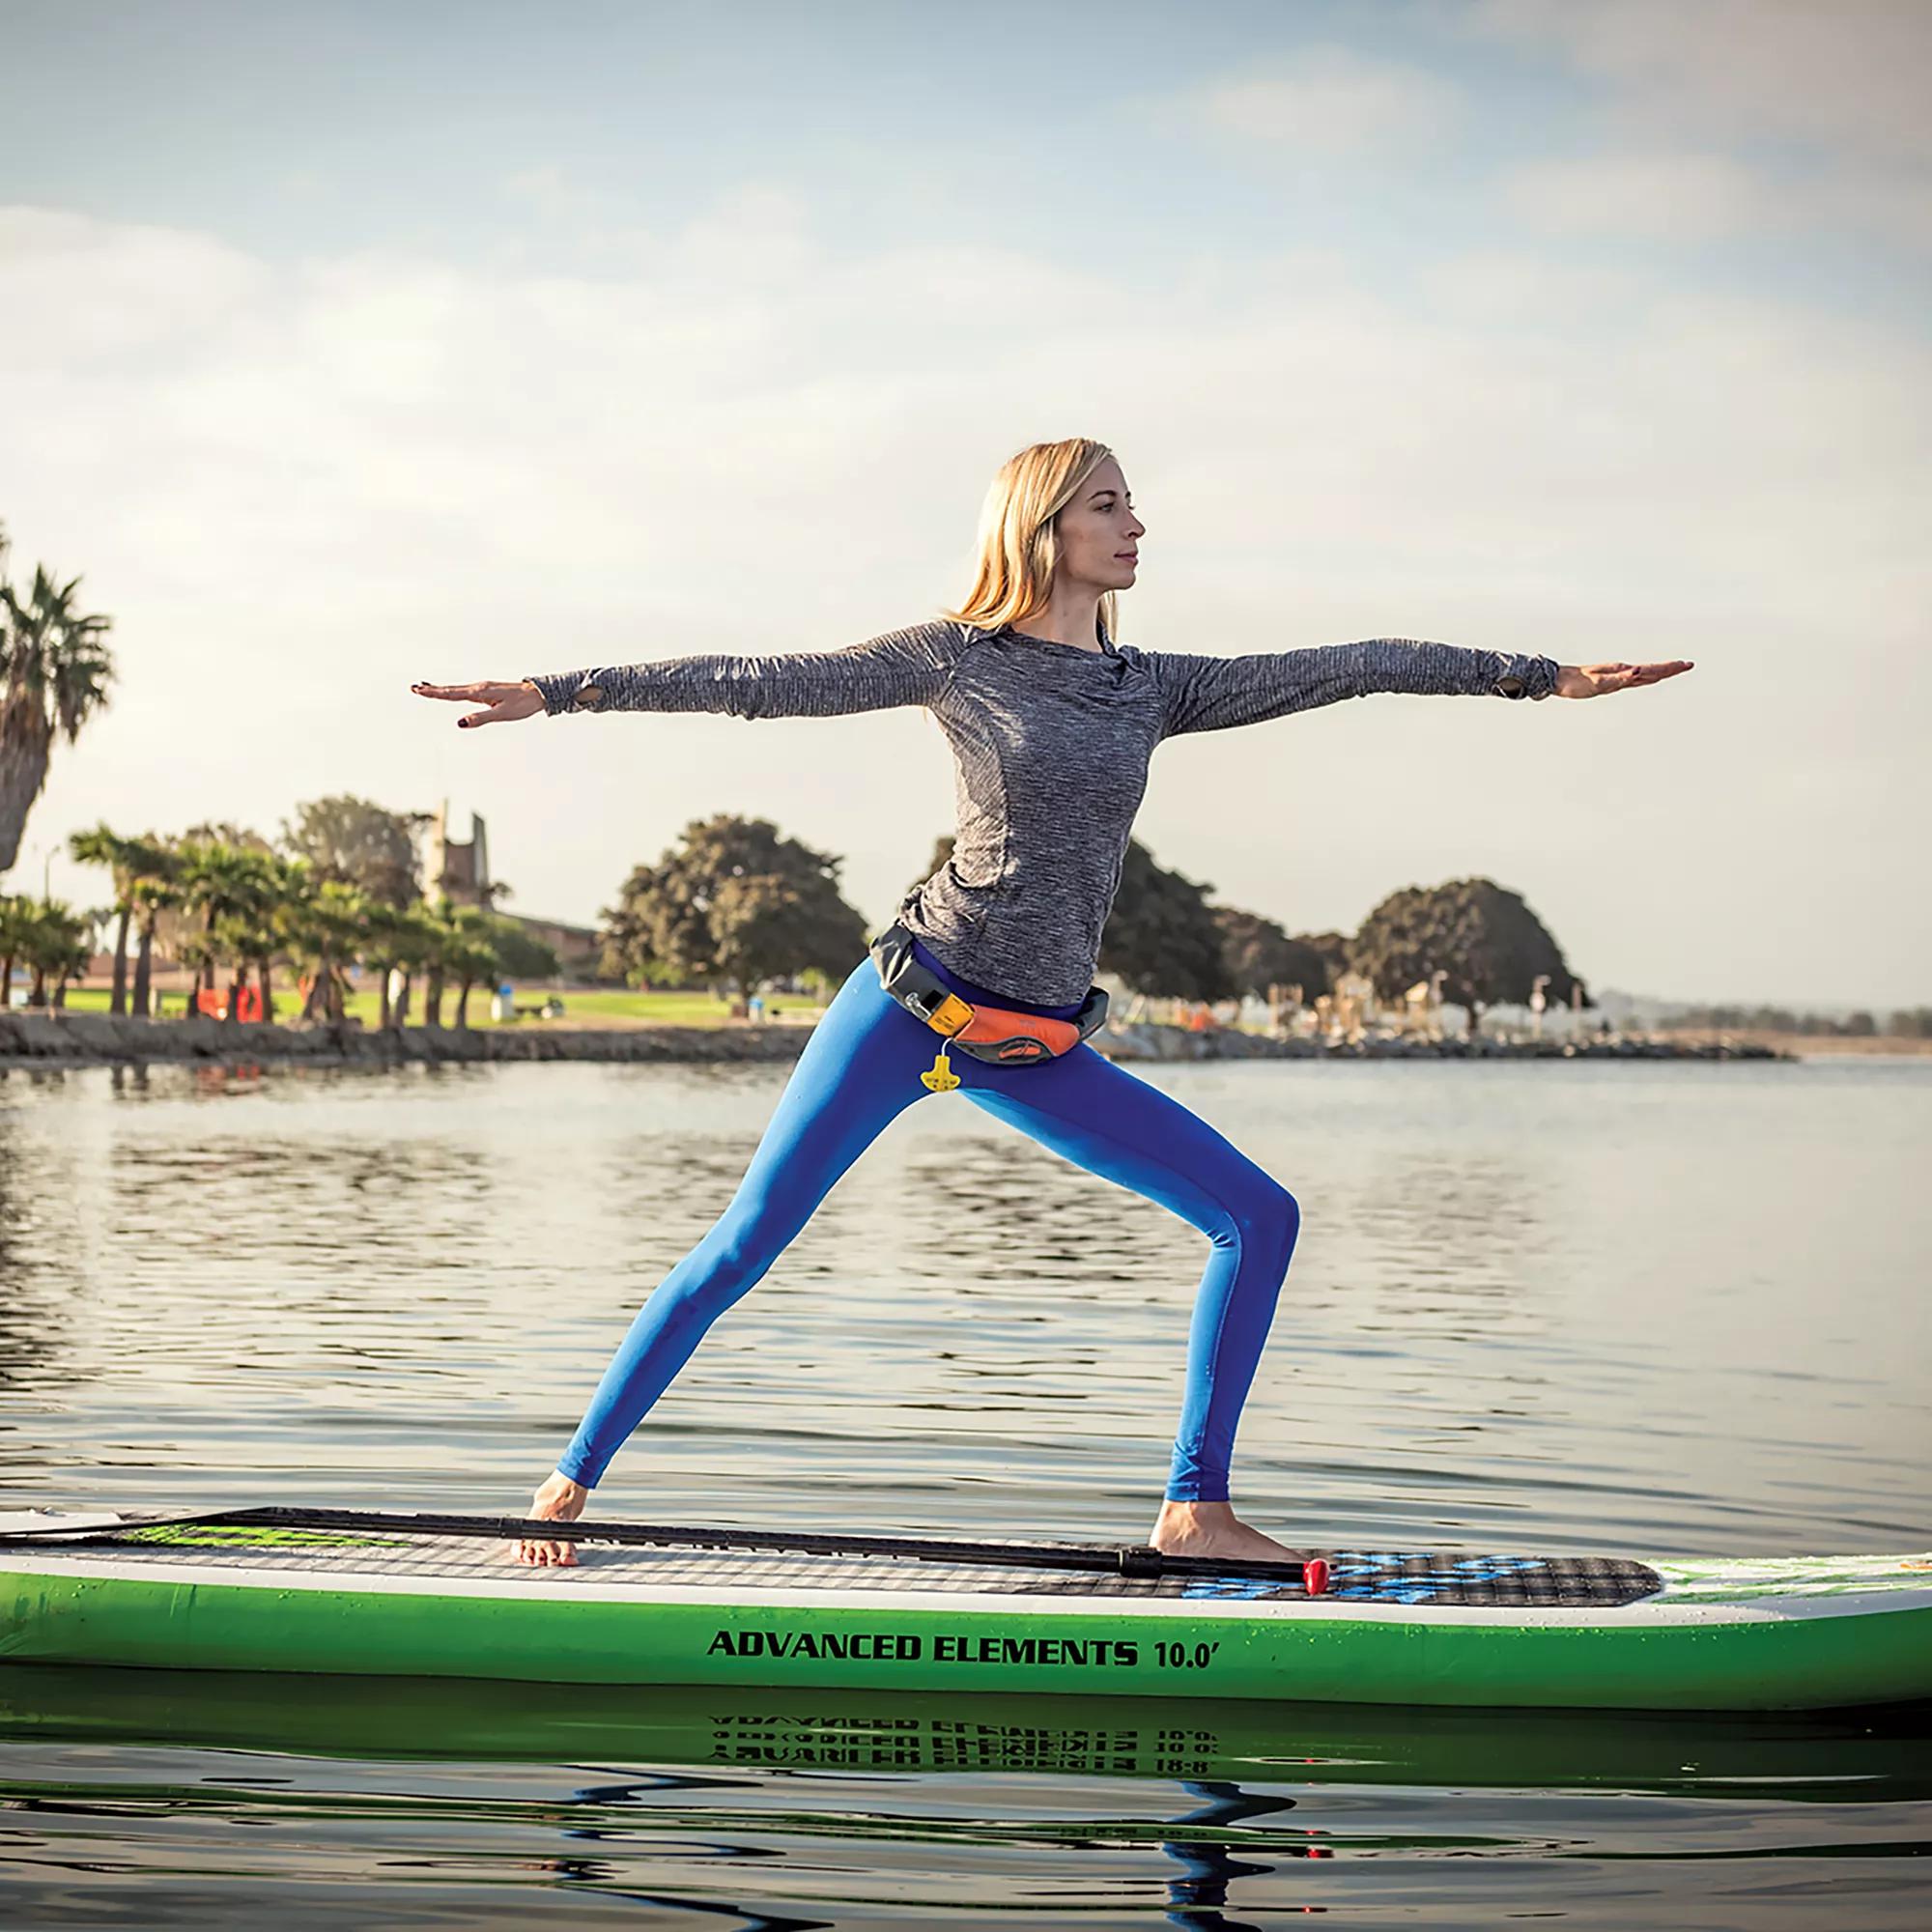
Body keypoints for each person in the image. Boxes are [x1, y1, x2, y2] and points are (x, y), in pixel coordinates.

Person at [412, 436, 1693, 1567]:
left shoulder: (1154, 688)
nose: (1136, 525)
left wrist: (1543, 676)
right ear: (1042, 529)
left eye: (1134, 504)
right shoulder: (959, 662)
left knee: (1260, 1216)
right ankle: (566, 1488)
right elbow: (758, 678)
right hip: (909, 1006)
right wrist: (562, 690)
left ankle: (1194, 1510)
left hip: (1034, 1041)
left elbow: (1353, 663)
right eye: (1108, 505)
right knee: (745, 1244)